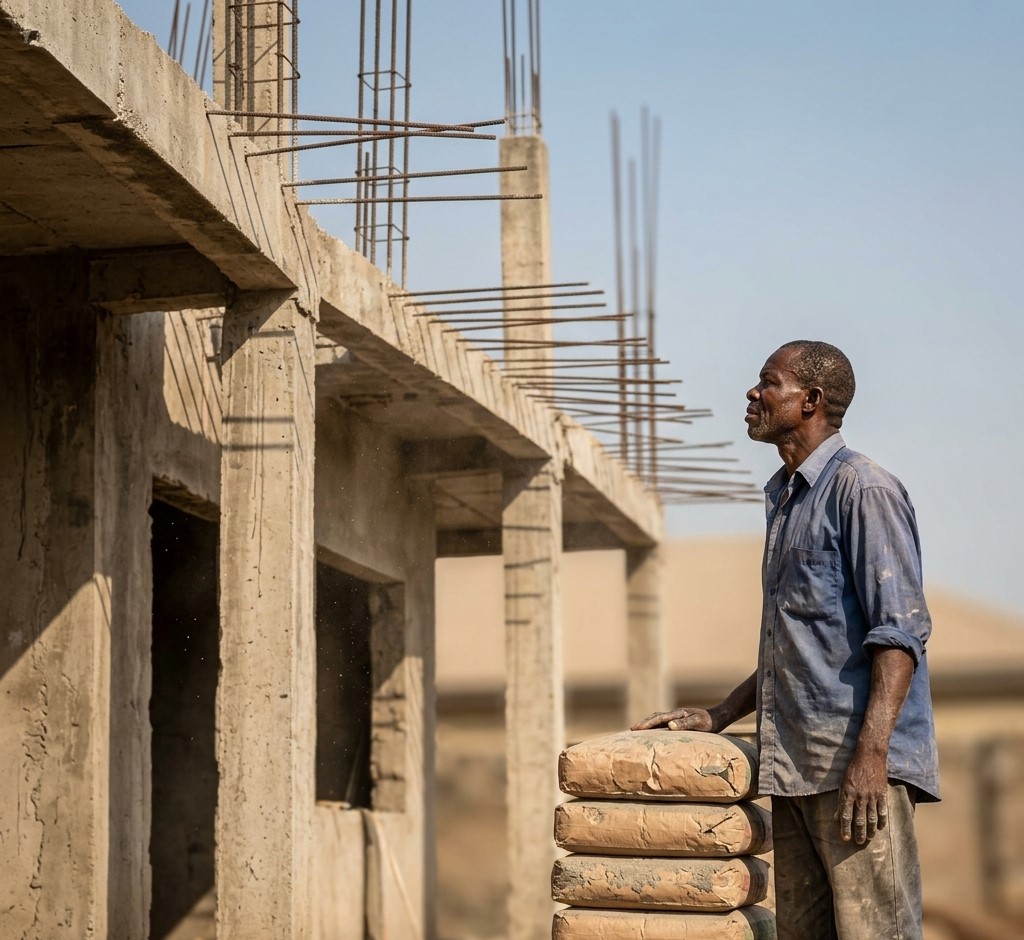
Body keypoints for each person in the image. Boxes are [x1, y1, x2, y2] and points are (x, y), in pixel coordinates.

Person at [633, 340, 939, 940]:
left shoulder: (863, 490)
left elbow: (899, 634)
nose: (752, 394)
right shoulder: (784, 497)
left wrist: (872, 756)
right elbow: (794, 643)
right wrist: (719, 714)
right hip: (795, 766)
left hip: (854, 772)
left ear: (811, 401)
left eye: (767, 383)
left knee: (875, 932)